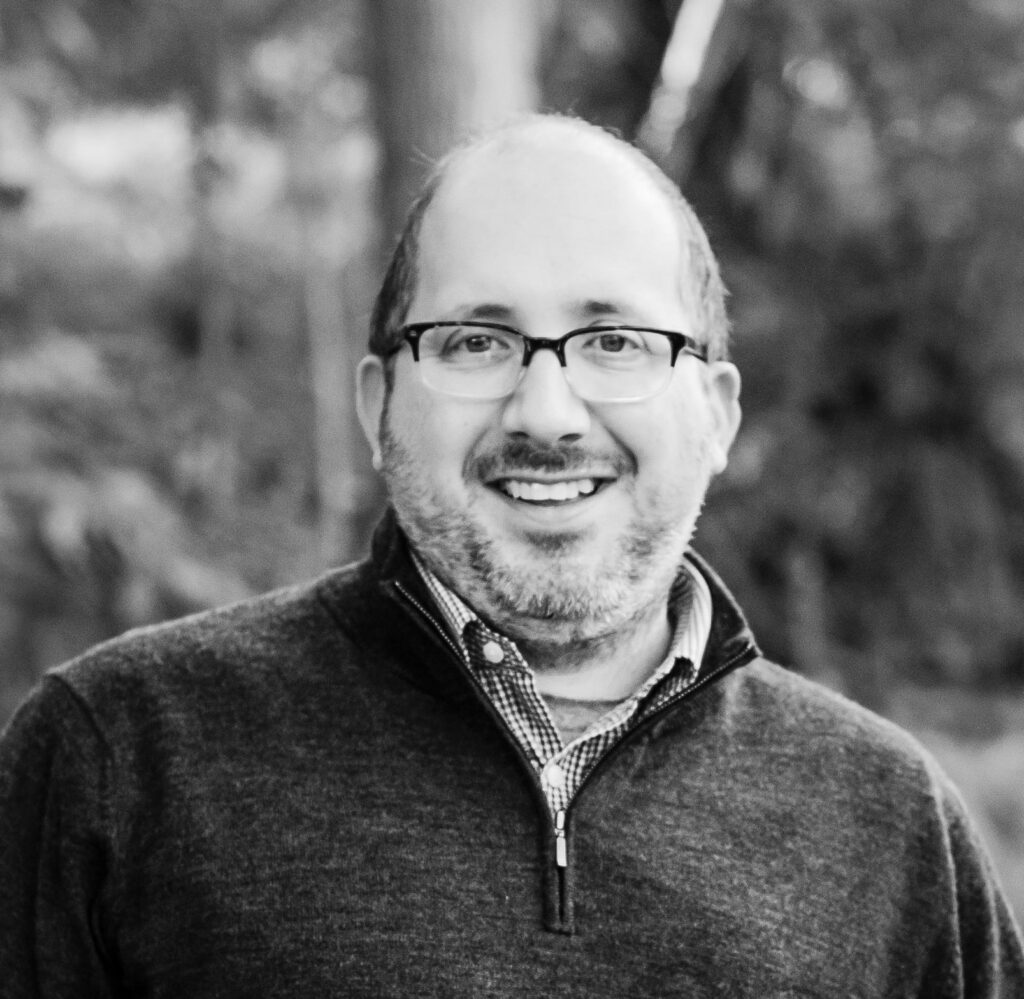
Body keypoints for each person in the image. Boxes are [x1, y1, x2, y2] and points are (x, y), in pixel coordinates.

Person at [1, 114, 1022, 999]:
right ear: (377, 404)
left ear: (715, 415)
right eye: (474, 343)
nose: (545, 412)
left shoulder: (891, 824)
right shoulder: (118, 758)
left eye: (616, 342)